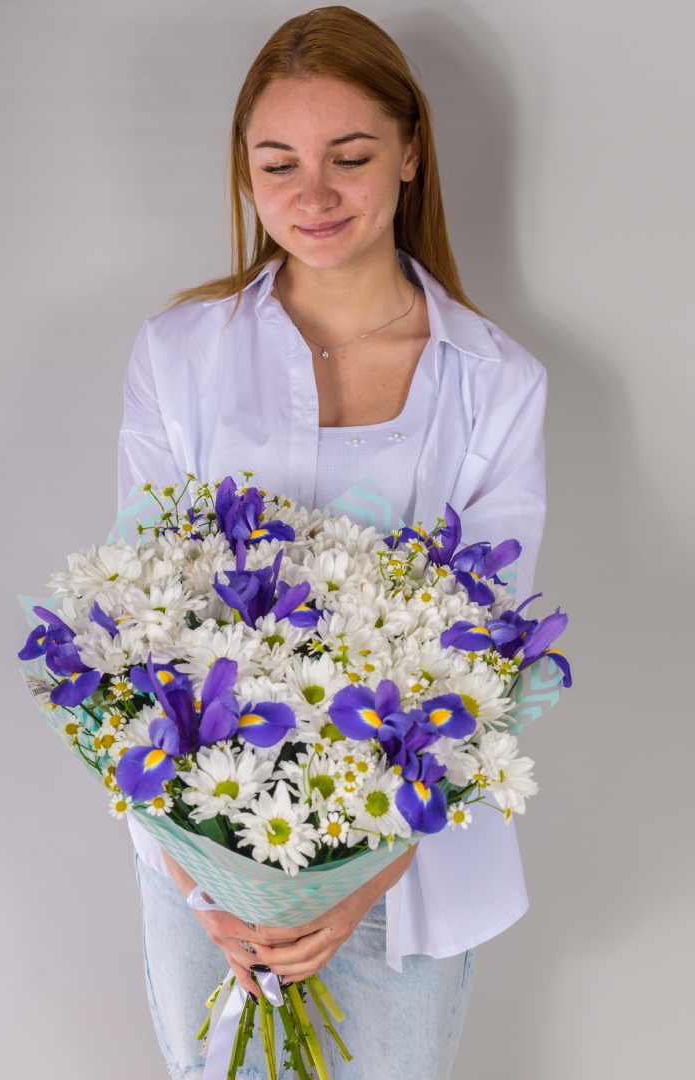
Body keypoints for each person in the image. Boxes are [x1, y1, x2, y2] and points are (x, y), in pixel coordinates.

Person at [118, 8, 546, 1078]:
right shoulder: (180, 355)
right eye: (279, 164)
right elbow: (134, 625)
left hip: (406, 862)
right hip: (205, 855)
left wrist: (355, 881)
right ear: (246, 170)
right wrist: (214, 880)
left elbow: (485, 656)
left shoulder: (495, 382)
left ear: (410, 153)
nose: (312, 195)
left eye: (349, 157)